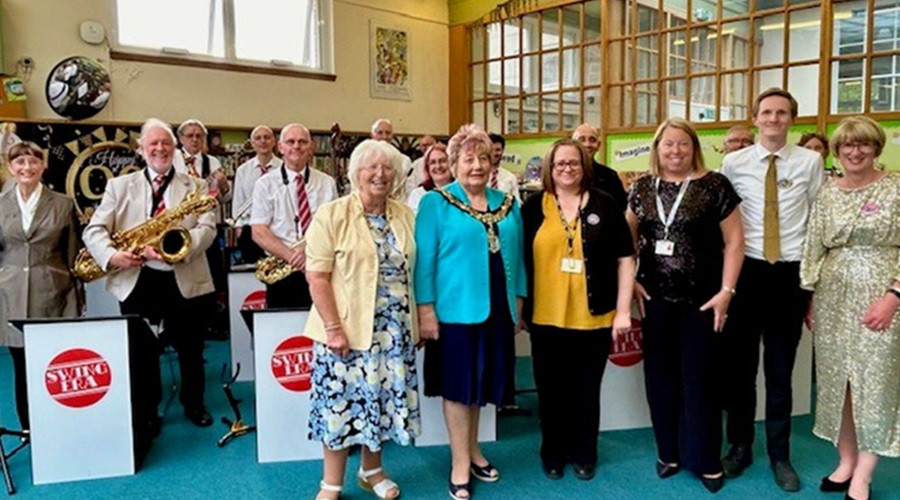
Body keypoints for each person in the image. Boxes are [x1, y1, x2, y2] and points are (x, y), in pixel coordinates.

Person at [626, 117, 744, 494]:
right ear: (657, 149)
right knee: (660, 379)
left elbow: (735, 242)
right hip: (656, 301)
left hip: (704, 301)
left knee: (701, 381)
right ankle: (668, 452)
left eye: (682, 144)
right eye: (668, 144)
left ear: (694, 147)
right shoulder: (643, 188)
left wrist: (727, 291)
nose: (675, 151)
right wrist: (632, 283)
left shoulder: (715, 186)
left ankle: (705, 458)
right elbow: (624, 238)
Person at [720, 88, 824, 492]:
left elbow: (817, 220)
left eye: (782, 113)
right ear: (756, 117)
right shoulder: (733, 162)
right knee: (740, 370)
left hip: (790, 274)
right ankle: (740, 446)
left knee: (781, 370)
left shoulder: (811, 162)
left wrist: (813, 284)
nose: (774, 119)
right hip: (746, 273)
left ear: (791, 119)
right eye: (767, 112)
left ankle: (781, 455)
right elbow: (724, 220)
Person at [82, 118, 217, 430]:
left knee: (191, 346)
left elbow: (208, 228)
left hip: (183, 273)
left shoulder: (195, 186)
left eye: (166, 143)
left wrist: (179, 249)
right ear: (142, 150)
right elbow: (95, 230)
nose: (160, 148)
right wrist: (114, 255)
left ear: (175, 149)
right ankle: (148, 409)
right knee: (142, 351)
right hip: (138, 276)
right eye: (153, 143)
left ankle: (194, 403)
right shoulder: (120, 186)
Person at [415, 124, 526, 500]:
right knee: (459, 387)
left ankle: (474, 450)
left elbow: (519, 259)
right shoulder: (436, 202)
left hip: (498, 308)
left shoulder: (507, 202)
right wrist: (426, 311)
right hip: (454, 312)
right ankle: (459, 461)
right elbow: (424, 261)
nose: (476, 165)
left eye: (482, 157)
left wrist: (519, 303)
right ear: (453, 163)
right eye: (467, 159)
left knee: (480, 384)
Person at [305, 139, 420, 500]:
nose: (380, 174)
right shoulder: (332, 214)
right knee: (339, 407)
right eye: (371, 167)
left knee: (381, 403)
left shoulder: (405, 214)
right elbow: (317, 277)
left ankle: (372, 470)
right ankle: (331, 483)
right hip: (344, 331)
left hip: (393, 331)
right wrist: (333, 328)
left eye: (387, 168)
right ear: (354, 174)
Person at [522, 138, 635, 481]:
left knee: (586, 390)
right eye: (559, 164)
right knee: (551, 391)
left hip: (594, 317)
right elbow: (518, 260)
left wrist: (623, 310)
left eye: (573, 163)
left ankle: (585, 452)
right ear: (549, 169)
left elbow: (625, 259)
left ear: (584, 167)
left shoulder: (605, 203)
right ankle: (553, 452)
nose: (566, 169)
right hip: (545, 317)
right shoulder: (531, 207)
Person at [800, 116, 900, 500]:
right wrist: (809, 296)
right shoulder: (827, 192)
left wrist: (894, 297)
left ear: (876, 147)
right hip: (831, 297)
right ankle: (845, 461)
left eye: (863, 144)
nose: (855, 152)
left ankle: (865, 473)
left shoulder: (894, 188)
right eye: (846, 146)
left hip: (882, 294)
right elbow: (813, 245)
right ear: (837, 152)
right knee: (837, 383)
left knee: (876, 384)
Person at [0, 141, 83, 432]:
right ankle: (28, 430)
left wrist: (77, 296)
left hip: (54, 294)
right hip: (9, 295)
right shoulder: (0, 204)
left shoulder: (62, 203)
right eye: (19, 162)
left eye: (33, 161)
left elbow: (72, 254)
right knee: (21, 366)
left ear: (43, 166)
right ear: (10, 167)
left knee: (53, 364)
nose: (27, 168)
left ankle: (57, 427)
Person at [250, 123, 337, 308]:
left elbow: (333, 227)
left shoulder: (327, 183)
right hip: (282, 269)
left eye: (302, 142)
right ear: (280, 148)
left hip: (319, 266)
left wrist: (308, 253)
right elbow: (258, 231)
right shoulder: (264, 184)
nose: (296, 146)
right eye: (290, 142)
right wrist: (292, 257)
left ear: (311, 147)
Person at [232, 125, 282, 263]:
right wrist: (239, 228)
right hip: (251, 228)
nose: (263, 141)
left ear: (274, 141)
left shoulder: (284, 167)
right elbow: (238, 200)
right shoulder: (243, 170)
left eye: (267, 137)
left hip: (278, 227)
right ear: (252, 143)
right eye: (258, 138)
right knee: (253, 274)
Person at [572, 123, 628, 210]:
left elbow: (621, 209)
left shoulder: (610, 176)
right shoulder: (564, 173)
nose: (587, 144)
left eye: (592, 140)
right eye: (581, 139)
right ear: (572, 144)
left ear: (598, 145)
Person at [405, 142, 451, 214]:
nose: (438, 166)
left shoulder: (463, 190)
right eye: (433, 162)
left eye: (442, 161)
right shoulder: (418, 194)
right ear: (427, 168)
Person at [488, 133, 521, 201]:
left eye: (498, 150)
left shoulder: (511, 178)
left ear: (502, 151)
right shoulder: (477, 177)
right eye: (491, 149)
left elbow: (517, 204)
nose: (494, 153)